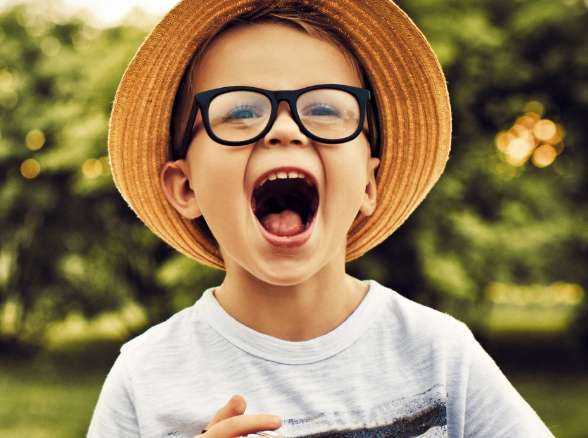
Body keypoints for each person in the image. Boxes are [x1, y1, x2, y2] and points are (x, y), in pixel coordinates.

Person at [88, 0, 555, 437]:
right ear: (186, 188)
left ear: (369, 184)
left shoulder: (440, 356)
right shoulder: (144, 376)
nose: (284, 129)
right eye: (242, 111)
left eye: (327, 109)